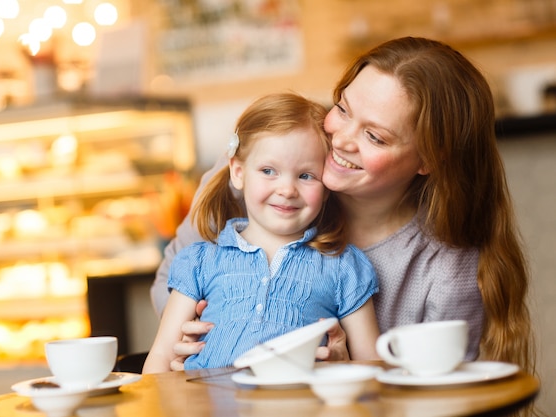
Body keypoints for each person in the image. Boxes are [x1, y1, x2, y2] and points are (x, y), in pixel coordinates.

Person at [150, 37, 535, 382]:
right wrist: (203, 335)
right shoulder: (266, 165)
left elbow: (440, 399)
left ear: (429, 159)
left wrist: (350, 376)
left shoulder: (446, 270)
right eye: (343, 108)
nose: (341, 140)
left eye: (374, 136)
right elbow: (173, 275)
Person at [143, 93, 380, 374]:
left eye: (306, 176)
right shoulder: (198, 261)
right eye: (269, 171)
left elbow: (374, 368)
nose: (287, 189)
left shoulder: (344, 265)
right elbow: (160, 356)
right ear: (239, 172)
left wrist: (344, 365)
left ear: (327, 185)